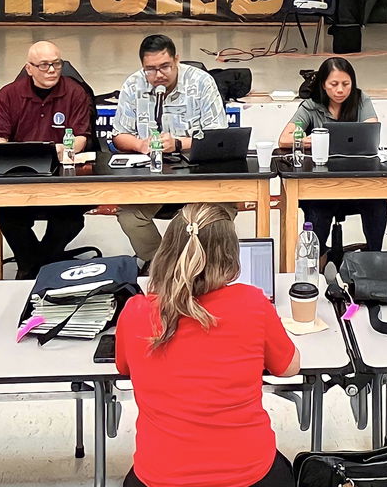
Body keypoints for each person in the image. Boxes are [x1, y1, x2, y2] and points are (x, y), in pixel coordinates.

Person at [114, 203, 299, 487]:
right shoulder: (253, 303)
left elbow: (124, 367)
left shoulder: (136, 312)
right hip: (248, 474)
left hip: (160, 476)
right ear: (231, 255)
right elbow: (288, 368)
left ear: (166, 252)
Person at [110, 34, 228, 263]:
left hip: (198, 173)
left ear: (177, 60)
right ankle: (162, 265)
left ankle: (203, 266)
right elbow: (119, 135)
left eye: (165, 66)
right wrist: (140, 144)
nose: (158, 75)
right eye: (150, 69)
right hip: (152, 177)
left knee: (218, 212)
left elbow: (218, 137)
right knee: (130, 216)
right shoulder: (133, 85)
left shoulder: (201, 82)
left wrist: (178, 143)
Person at [0, 40, 94, 279]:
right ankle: (39, 266)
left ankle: (34, 267)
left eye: (57, 64)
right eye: (44, 65)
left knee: (70, 220)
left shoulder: (75, 92)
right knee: (8, 218)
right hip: (21, 176)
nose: (52, 70)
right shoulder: (8, 94)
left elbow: (80, 139)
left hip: (63, 176)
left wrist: (52, 151)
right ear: (29, 68)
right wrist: (8, 153)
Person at [278, 57, 386, 254]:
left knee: (377, 201)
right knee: (318, 209)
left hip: (357, 183)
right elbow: (285, 138)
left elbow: (371, 131)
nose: (340, 90)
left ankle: (373, 258)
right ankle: (315, 259)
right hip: (322, 186)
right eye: (334, 84)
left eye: (346, 84)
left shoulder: (361, 100)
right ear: (323, 84)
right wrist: (312, 140)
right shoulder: (311, 106)